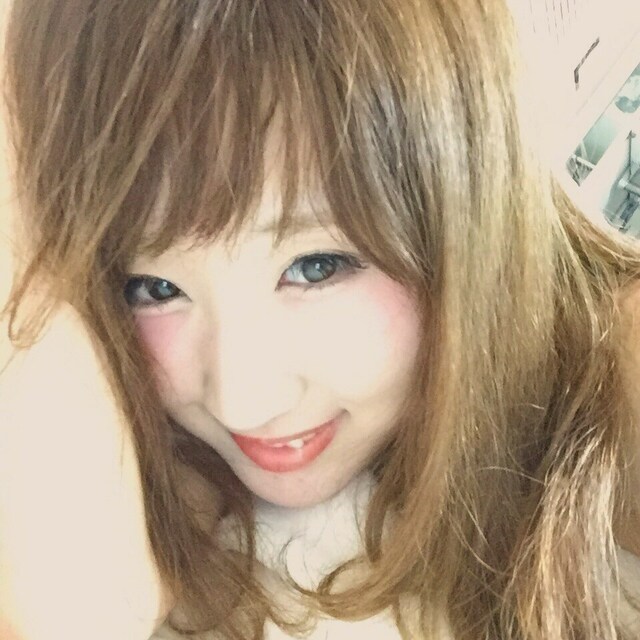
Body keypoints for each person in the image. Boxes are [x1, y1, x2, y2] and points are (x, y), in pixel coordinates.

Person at [1, 0, 640, 638]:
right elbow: (75, 613)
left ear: (468, 200)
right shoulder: (132, 443)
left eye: (316, 267)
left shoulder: (616, 369)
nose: (244, 402)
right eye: (154, 287)